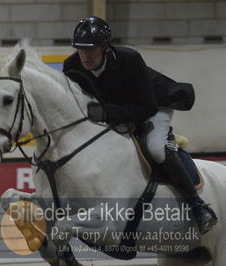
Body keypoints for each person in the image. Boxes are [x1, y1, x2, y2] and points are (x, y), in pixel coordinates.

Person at [63, 16, 217, 235]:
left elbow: (146, 107)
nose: (85, 55)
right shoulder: (72, 66)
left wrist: (108, 113)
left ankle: (198, 206)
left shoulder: (129, 59)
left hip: (154, 104)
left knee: (155, 149)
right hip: (115, 111)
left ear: (105, 47)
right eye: (80, 49)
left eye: (92, 49)